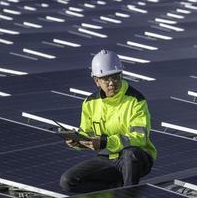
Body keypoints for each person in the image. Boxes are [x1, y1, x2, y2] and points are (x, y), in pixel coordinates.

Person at [60, 49, 157, 193]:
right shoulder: (90, 103)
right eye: (106, 79)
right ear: (96, 81)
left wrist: (105, 142)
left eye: (116, 77)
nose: (112, 83)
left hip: (135, 159)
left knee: (131, 154)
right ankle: (115, 190)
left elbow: (139, 138)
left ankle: (128, 194)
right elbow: (88, 134)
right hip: (106, 158)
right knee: (68, 181)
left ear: (121, 75)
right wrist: (77, 142)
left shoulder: (136, 100)